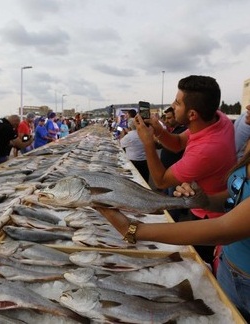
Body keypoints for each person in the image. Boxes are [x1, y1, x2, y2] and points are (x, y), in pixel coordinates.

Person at [95, 144, 250, 322]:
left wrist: (134, 230)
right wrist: (203, 201)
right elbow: (237, 198)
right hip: (227, 267)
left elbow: (224, 230)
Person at [134, 75, 236, 266]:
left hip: (211, 217)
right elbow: (178, 143)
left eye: (178, 103)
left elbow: (162, 181)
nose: (172, 105)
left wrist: (147, 143)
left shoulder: (206, 150)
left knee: (200, 265)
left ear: (192, 115)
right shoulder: (216, 119)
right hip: (209, 205)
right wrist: (158, 131)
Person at [159, 107, 187, 221]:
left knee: (173, 202)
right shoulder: (173, 130)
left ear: (177, 117)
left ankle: (172, 223)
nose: (166, 121)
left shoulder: (183, 131)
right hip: (168, 171)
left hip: (175, 174)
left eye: (169, 118)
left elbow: (174, 147)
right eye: (166, 118)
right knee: (165, 198)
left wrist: (149, 143)